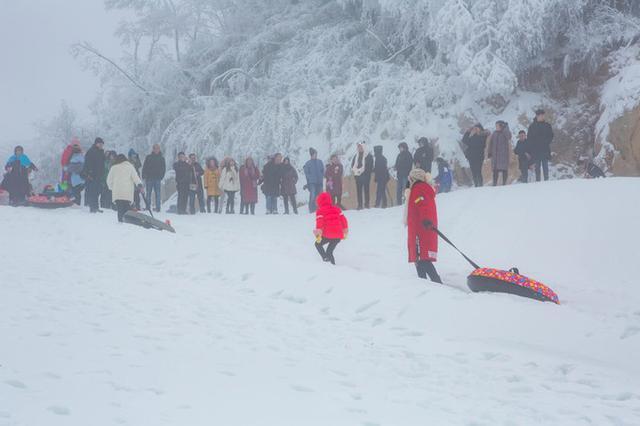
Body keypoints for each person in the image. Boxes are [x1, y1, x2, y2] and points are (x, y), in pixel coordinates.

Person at [406, 168, 442, 283]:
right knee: (420, 259)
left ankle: (435, 283)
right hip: (422, 228)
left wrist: (425, 219)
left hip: (420, 230)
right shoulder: (423, 188)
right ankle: (424, 283)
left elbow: (422, 204)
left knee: (422, 259)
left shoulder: (418, 188)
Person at [313, 192, 348, 265]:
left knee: (317, 244)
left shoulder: (320, 211)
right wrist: (345, 229)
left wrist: (318, 233)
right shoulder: (337, 209)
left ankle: (325, 259)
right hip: (338, 235)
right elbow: (343, 220)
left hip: (328, 234)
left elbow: (319, 223)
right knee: (329, 252)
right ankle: (332, 265)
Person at [106, 154, 143, 223]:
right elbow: (136, 177)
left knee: (120, 209)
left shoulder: (114, 168)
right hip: (127, 193)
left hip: (117, 193)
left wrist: (112, 188)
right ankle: (127, 222)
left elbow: (109, 180)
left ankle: (120, 222)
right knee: (127, 209)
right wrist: (139, 184)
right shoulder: (130, 167)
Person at [527, 109, 554, 181]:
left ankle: (546, 181)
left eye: (543, 115)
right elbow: (529, 139)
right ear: (537, 116)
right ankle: (538, 182)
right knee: (537, 168)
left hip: (545, 149)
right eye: (541, 115)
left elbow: (551, 135)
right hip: (536, 150)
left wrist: (546, 142)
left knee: (545, 167)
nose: (542, 117)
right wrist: (532, 148)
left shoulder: (547, 125)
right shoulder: (532, 126)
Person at [82, 137, 106, 213]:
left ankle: (96, 207)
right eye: (100, 144)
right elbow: (87, 163)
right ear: (96, 143)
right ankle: (92, 208)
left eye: (102, 144)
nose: (101, 145)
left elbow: (102, 164)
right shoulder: (91, 151)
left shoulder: (101, 152)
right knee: (92, 191)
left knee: (97, 192)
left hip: (99, 175)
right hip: (92, 175)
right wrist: (89, 173)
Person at [141, 144, 166, 212]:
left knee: (158, 193)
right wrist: (144, 175)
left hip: (157, 178)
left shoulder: (161, 158)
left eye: (158, 148)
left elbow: (163, 168)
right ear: (153, 149)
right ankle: (148, 207)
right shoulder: (148, 157)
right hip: (149, 178)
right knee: (148, 193)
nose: (156, 150)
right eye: (155, 148)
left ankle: (158, 208)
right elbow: (145, 167)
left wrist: (161, 176)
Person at [488, 121, 512, 186]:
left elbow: (509, 136)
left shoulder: (505, 132)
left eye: (497, 126)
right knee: (495, 171)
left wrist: (505, 128)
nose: (496, 127)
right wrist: (489, 152)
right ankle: (494, 184)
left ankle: (504, 183)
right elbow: (491, 143)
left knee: (504, 170)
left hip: (503, 155)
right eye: (496, 126)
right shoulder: (494, 134)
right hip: (495, 156)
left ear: (501, 126)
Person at [350, 142, 373, 210]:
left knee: (366, 190)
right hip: (358, 176)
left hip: (366, 176)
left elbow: (370, 166)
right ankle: (360, 204)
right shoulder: (356, 156)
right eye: (358, 147)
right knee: (359, 191)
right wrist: (357, 171)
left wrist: (363, 171)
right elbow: (353, 165)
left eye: (361, 147)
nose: (359, 148)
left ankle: (367, 204)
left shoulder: (368, 156)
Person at [303, 148, 324, 213]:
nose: (316, 155)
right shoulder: (308, 163)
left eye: (316, 154)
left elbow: (322, 170)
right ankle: (311, 208)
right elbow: (306, 173)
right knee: (312, 195)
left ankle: (320, 208)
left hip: (319, 181)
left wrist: (321, 176)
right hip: (312, 182)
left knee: (320, 195)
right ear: (311, 155)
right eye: (314, 154)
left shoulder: (320, 162)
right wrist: (309, 179)